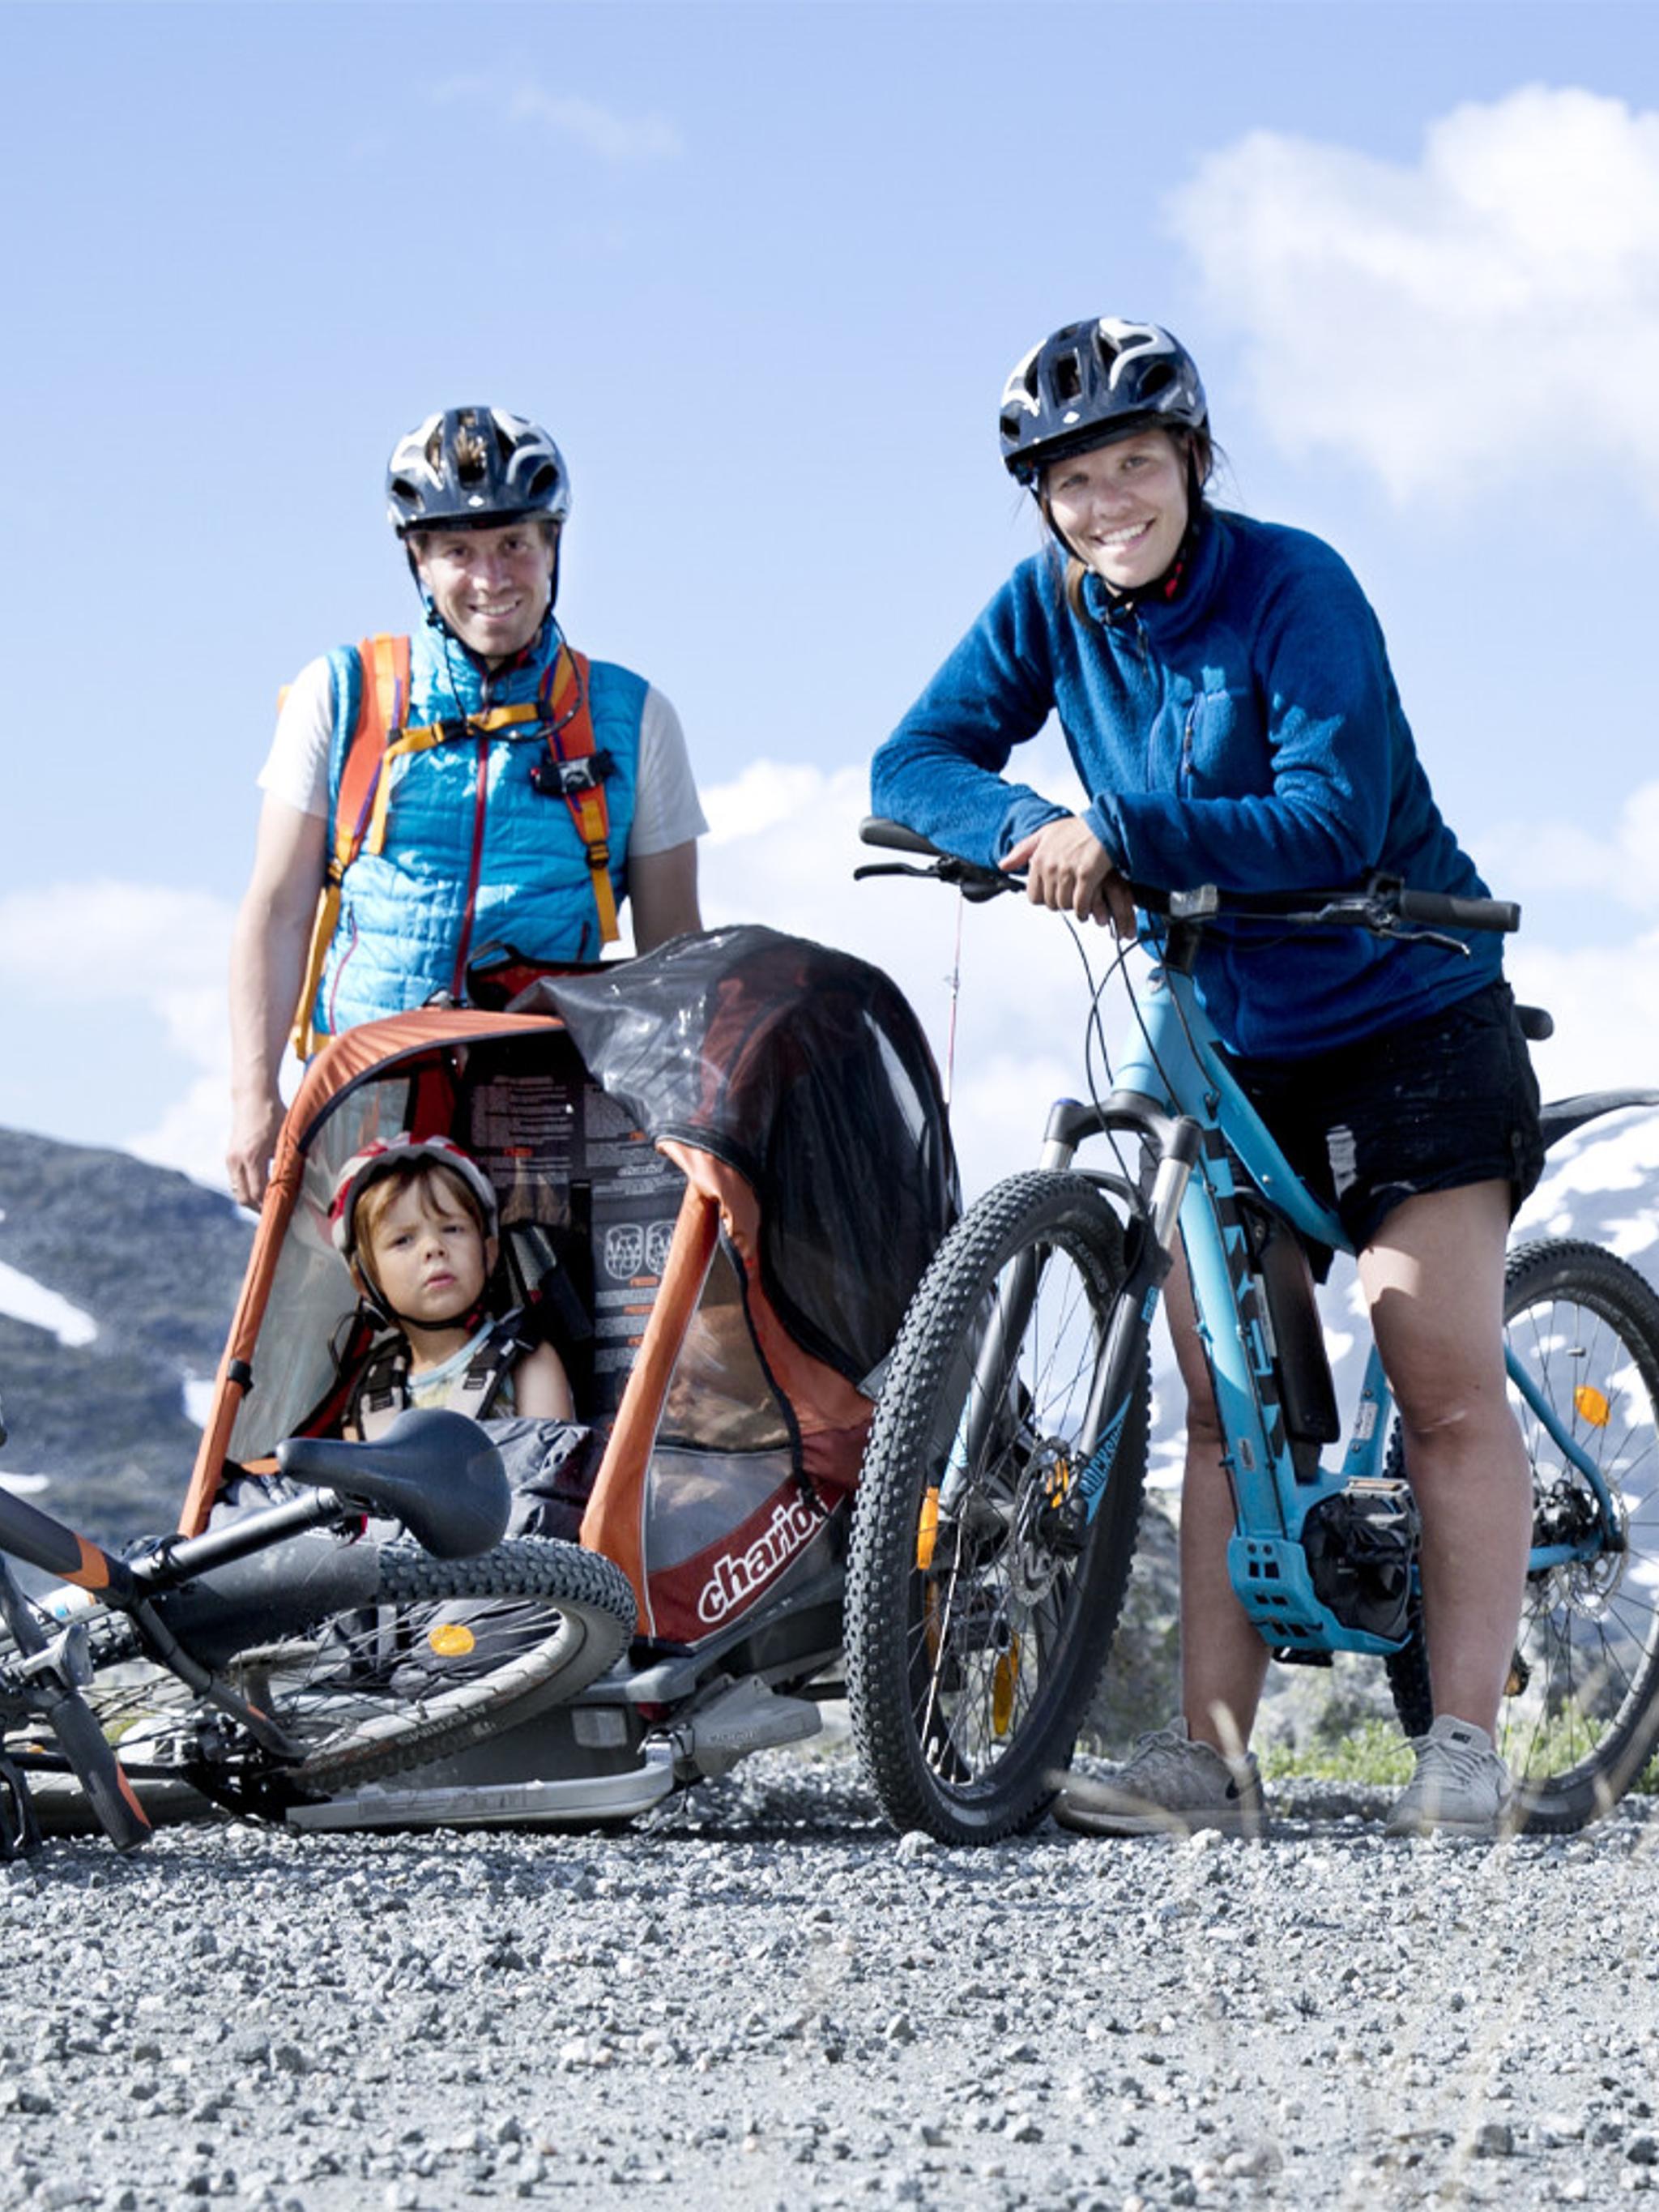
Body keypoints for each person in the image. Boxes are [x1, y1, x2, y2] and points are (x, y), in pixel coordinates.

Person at [871, 317, 1544, 1839]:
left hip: (1406, 1018)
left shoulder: (1294, 584)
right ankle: (1213, 1760)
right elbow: (907, 765)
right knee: (1216, 1385)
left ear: (1191, 459)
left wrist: (1125, 828)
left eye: (1131, 464)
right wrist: (1025, 827)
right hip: (1226, 1038)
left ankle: (1461, 1747)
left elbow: (1326, 813)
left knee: (1429, 1375)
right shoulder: (1050, 605)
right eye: (1071, 481)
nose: (1105, 503)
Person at [228, 405, 707, 1208]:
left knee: (567, 1336)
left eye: (515, 544)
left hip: (550, 1106)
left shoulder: (632, 716)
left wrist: (697, 1126)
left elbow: (676, 955)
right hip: (365, 1098)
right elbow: (275, 911)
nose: (492, 578)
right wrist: (252, 1099)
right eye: (459, 550)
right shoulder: (342, 696)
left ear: (553, 544)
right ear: (418, 561)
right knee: (326, 1335)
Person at [329, 1133, 573, 1435]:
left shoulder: (527, 1364)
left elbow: (553, 1471)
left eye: (452, 1229)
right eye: (403, 1240)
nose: (433, 1247)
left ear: (489, 1253)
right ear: (366, 1281)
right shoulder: (366, 1399)